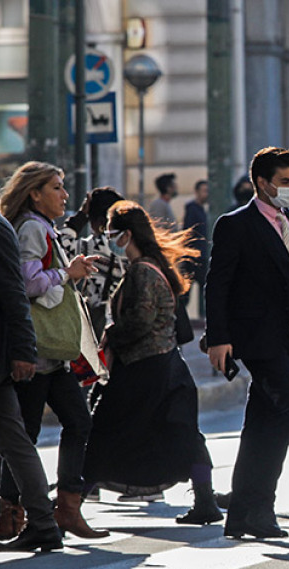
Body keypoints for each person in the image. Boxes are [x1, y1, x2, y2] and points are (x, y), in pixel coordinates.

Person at [204, 147, 289, 540]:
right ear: (261, 183)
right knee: (287, 411)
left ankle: (243, 514)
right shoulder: (236, 224)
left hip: (287, 337)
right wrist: (218, 338)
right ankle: (261, 507)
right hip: (255, 338)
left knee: (262, 419)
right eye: (285, 181)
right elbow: (219, 282)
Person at [82, 201, 222, 526]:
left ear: (126, 235)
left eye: (113, 232)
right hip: (168, 365)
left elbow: (140, 321)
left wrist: (111, 334)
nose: (110, 239)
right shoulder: (151, 266)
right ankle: (205, 501)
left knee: (105, 429)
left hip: (144, 367)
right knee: (184, 434)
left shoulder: (142, 271)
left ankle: (70, 502)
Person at [0, 161, 109, 541]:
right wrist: (68, 273)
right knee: (24, 435)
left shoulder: (43, 227)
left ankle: (66, 508)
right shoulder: (31, 228)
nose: (65, 195)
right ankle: (14, 515)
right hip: (38, 349)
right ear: (35, 193)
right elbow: (27, 284)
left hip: (52, 352)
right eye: (57, 187)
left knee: (75, 422)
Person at [0, 192, 63, 553]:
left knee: (16, 444)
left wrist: (23, 351)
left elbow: (14, 294)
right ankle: (44, 524)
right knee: (15, 444)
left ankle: (43, 522)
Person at [58, 187, 127, 339]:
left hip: (103, 322)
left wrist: (81, 215)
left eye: (90, 219)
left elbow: (63, 245)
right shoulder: (128, 242)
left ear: (101, 221)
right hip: (124, 318)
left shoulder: (98, 245)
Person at [182, 180, 210, 307]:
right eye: (204, 191)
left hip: (200, 255)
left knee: (203, 287)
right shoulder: (193, 210)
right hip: (194, 256)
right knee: (187, 290)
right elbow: (188, 231)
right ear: (197, 192)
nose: (206, 194)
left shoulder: (201, 210)